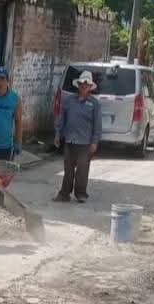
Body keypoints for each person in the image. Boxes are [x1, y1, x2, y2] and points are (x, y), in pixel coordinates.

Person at [53, 71, 101, 204]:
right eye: (81, 84)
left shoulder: (94, 104)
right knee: (68, 169)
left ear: (90, 87)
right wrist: (58, 134)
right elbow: (61, 118)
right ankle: (64, 194)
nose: (83, 86)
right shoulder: (68, 101)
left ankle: (80, 193)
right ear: (78, 85)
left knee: (82, 169)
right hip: (70, 140)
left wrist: (94, 142)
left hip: (85, 142)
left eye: (86, 85)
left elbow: (97, 124)